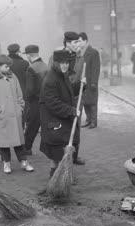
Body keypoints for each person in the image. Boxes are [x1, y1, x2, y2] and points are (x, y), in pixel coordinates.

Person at [0, 55, 34, 174]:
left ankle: (24, 162)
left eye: (9, 66)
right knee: (4, 143)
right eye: (6, 66)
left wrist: (20, 108)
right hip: (1, 117)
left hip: (15, 116)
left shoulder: (12, 76)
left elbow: (19, 93)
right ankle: (6, 163)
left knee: (19, 142)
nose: (9, 68)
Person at [40, 50, 82, 178]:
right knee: (56, 154)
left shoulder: (61, 76)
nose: (65, 66)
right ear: (55, 63)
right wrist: (71, 111)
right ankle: (55, 178)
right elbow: (53, 103)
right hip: (54, 122)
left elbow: (66, 92)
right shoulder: (50, 80)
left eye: (67, 63)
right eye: (62, 63)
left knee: (60, 153)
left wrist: (81, 86)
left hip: (61, 121)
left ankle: (61, 178)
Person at [49, 31, 85, 165]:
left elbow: (79, 75)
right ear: (67, 43)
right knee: (64, 130)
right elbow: (52, 78)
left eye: (79, 41)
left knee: (76, 129)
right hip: (63, 99)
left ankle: (74, 157)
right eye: (75, 42)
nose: (78, 44)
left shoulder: (79, 57)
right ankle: (64, 162)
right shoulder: (56, 56)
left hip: (76, 98)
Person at [23, 45, 48, 155]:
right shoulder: (46, 66)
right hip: (47, 102)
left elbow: (30, 90)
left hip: (35, 102)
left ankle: (26, 148)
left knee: (32, 127)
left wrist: (27, 101)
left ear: (29, 55)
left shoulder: (31, 68)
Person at [78, 32, 100, 129]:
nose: (78, 43)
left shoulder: (93, 52)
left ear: (85, 41)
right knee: (85, 102)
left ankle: (93, 122)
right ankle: (88, 120)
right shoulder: (80, 52)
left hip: (91, 82)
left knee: (92, 103)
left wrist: (94, 82)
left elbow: (96, 68)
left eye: (80, 41)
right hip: (83, 82)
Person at [8, 43, 30, 128]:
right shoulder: (25, 63)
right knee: (22, 114)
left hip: (8, 93)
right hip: (22, 93)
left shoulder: (5, 64)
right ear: (18, 52)